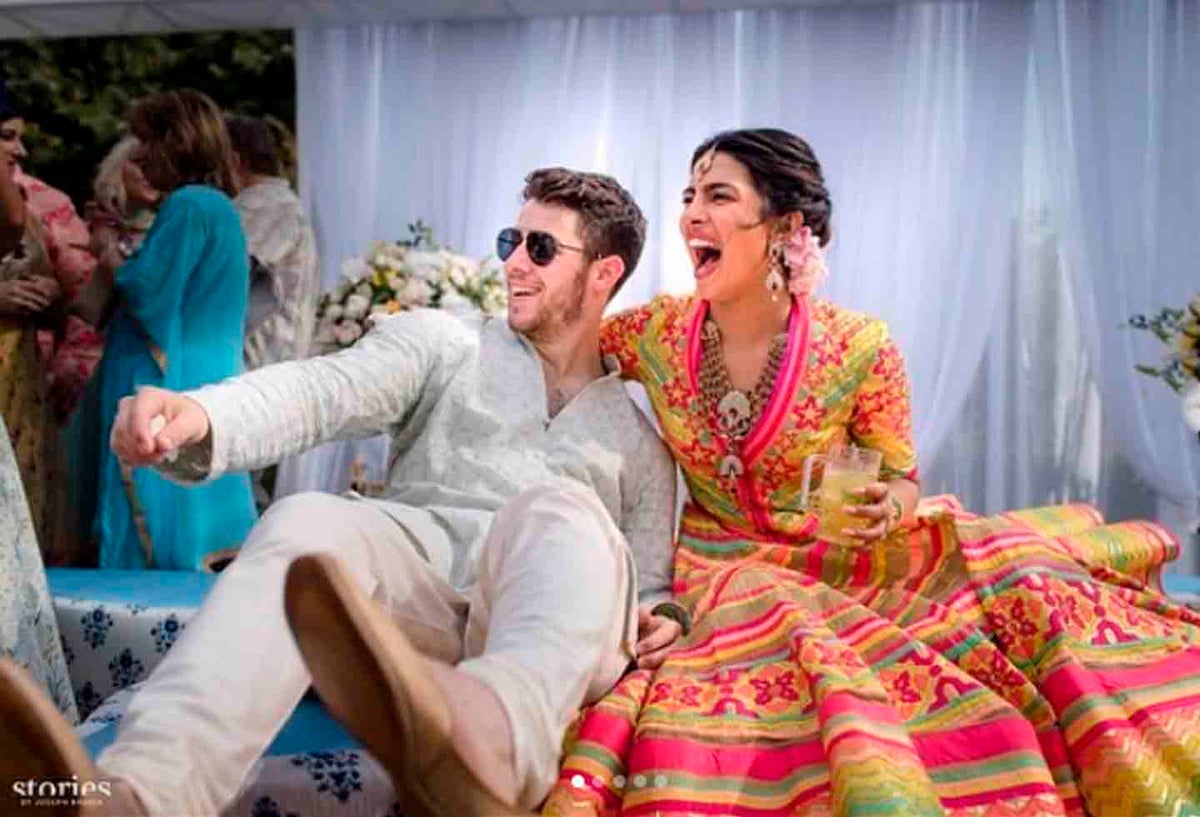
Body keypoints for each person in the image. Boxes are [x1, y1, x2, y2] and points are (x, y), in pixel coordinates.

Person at [543, 129, 1200, 816]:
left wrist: (889, 506)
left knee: (1028, 594)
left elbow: (903, 479)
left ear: (786, 227)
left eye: (718, 196)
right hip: (721, 570)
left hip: (845, 561)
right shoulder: (654, 332)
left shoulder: (859, 346)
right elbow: (562, 351)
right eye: (688, 196)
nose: (690, 216)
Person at [0, 167, 681, 817]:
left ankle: (495, 738)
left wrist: (662, 614)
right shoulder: (449, 342)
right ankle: (139, 795)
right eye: (510, 241)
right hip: (412, 607)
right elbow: (324, 391)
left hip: (541, 624)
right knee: (307, 518)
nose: (513, 263)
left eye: (540, 248)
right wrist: (202, 414)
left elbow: (648, 588)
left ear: (603, 273)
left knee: (558, 510)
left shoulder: (640, 439)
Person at [90, 90, 257, 570]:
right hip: (205, 367)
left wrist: (109, 250)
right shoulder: (216, 206)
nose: (139, 155)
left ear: (172, 144)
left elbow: (148, 291)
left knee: (158, 495)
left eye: (147, 141)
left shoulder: (189, 205)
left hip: (170, 372)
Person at [226, 115, 320, 370]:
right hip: (272, 363)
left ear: (234, 160)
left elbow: (219, 277)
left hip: (258, 365)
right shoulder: (277, 202)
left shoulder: (263, 205)